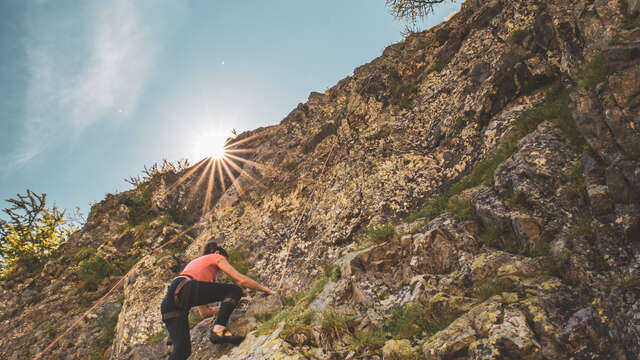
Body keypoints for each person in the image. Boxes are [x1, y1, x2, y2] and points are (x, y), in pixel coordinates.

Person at [160, 240, 276, 360]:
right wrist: (265, 290)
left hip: (169, 304)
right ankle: (219, 330)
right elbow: (240, 280)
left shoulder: (197, 268)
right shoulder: (215, 256)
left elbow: (204, 312)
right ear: (217, 252)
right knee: (235, 290)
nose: (219, 270)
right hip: (184, 287)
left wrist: (231, 304)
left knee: (182, 351)